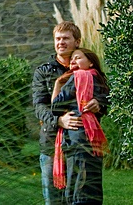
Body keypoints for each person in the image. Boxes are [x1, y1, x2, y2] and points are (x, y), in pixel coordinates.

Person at [31, 22, 106, 205]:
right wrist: (59, 120)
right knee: (54, 199)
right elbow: (39, 106)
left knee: (83, 193)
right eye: (58, 38)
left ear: (77, 41)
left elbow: (106, 96)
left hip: (83, 142)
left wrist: (99, 103)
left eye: (66, 38)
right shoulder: (43, 71)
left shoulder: (87, 68)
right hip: (51, 142)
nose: (61, 42)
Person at [51, 48, 109, 204]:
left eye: (77, 58)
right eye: (72, 59)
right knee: (92, 181)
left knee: (77, 182)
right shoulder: (99, 79)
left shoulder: (77, 76)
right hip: (93, 137)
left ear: (90, 62)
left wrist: (59, 84)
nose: (73, 61)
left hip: (76, 136)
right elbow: (107, 99)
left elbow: (56, 107)